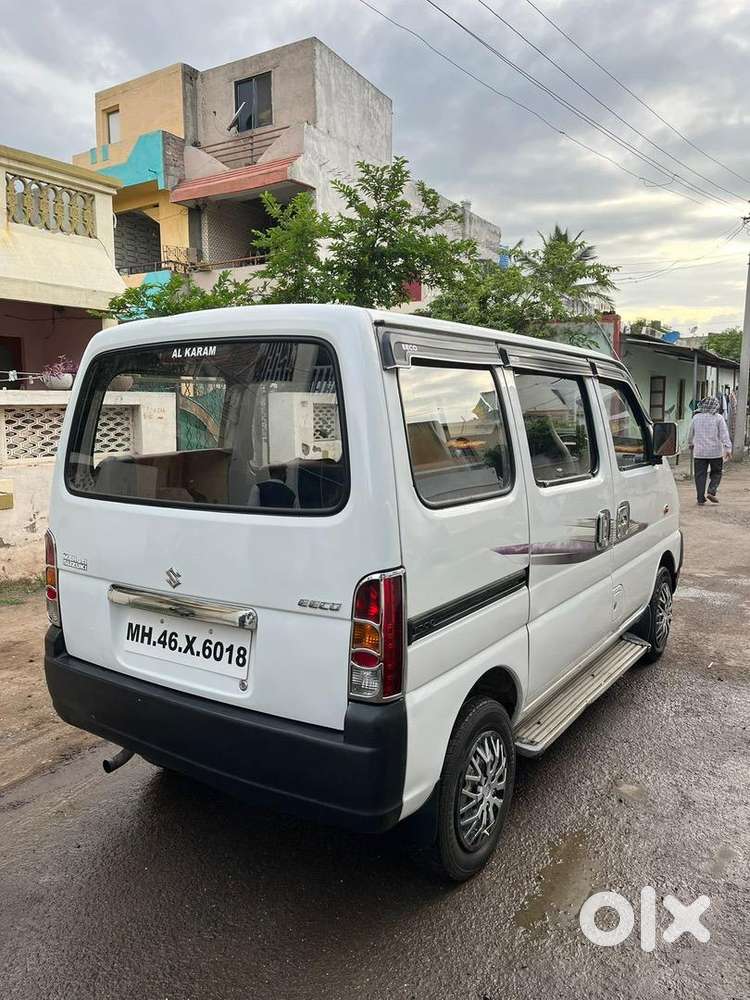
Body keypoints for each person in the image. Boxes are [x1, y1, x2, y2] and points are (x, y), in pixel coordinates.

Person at [688, 397, 732, 505]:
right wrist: (728, 448)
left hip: (699, 452)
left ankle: (700, 498)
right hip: (715, 452)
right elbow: (724, 434)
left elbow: (690, 433)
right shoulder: (719, 418)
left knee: (700, 475)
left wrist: (690, 443)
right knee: (716, 473)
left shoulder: (696, 418)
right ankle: (711, 491)